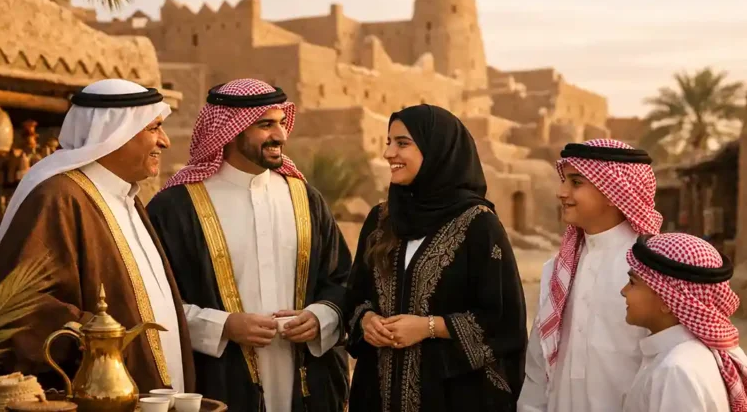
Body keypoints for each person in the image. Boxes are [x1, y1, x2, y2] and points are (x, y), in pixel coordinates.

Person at [146, 79, 351, 412]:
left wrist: (320, 317)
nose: (280, 136)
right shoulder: (176, 208)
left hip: (306, 386)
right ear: (231, 130)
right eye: (264, 124)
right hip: (220, 381)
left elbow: (342, 280)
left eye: (281, 123)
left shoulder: (305, 199)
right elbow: (152, 302)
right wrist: (223, 326)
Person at [0, 79, 195, 394]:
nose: (164, 141)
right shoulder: (59, 196)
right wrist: (95, 336)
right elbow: (19, 306)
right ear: (115, 134)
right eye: (154, 128)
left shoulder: (127, 197)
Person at [345, 104, 527, 412]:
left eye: (402, 143)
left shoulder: (478, 224)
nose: (389, 153)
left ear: (437, 150)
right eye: (388, 142)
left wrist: (429, 327)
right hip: (376, 393)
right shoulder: (381, 220)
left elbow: (503, 320)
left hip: (450, 395)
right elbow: (355, 294)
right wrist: (366, 319)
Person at [518, 139, 663, 412]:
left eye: (576, 182)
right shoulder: (557, 268)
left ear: (613, 191)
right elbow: (539, 365)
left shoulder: (652, 269)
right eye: (564, 181)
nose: (561, 192)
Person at [621, 233, 747, 412]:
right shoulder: (687, 356)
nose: (623, 291)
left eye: (632, 283)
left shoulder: (676, 371)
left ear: (667, 300)